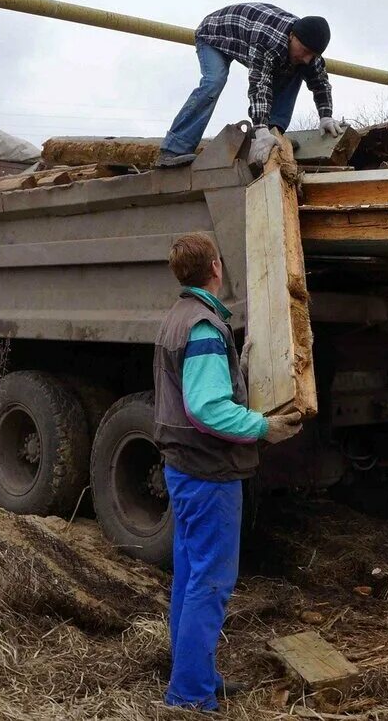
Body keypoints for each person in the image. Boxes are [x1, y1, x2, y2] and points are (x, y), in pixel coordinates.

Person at [153, 233, 303, 711]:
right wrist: (263, 427)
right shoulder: (201, 327)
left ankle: (193, 676)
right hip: (208, 472)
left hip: (186, 468)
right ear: (215, 267)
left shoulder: (180, 317)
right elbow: (206, 407)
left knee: (191, 577)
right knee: (211, 582)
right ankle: (191, 695)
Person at [157, 3, 341, 169]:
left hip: (248, 36)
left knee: (297, 68)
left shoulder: (309, 56)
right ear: (292, 36)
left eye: (313, 55)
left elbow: (321, 83)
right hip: (213, 34)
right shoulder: (267, 41)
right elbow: (259, 85)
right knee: (214, 81)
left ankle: (273, 133)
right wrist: (259, 128)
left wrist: (326, 116)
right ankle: (173, 149)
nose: (307, 57)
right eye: (305, 51)